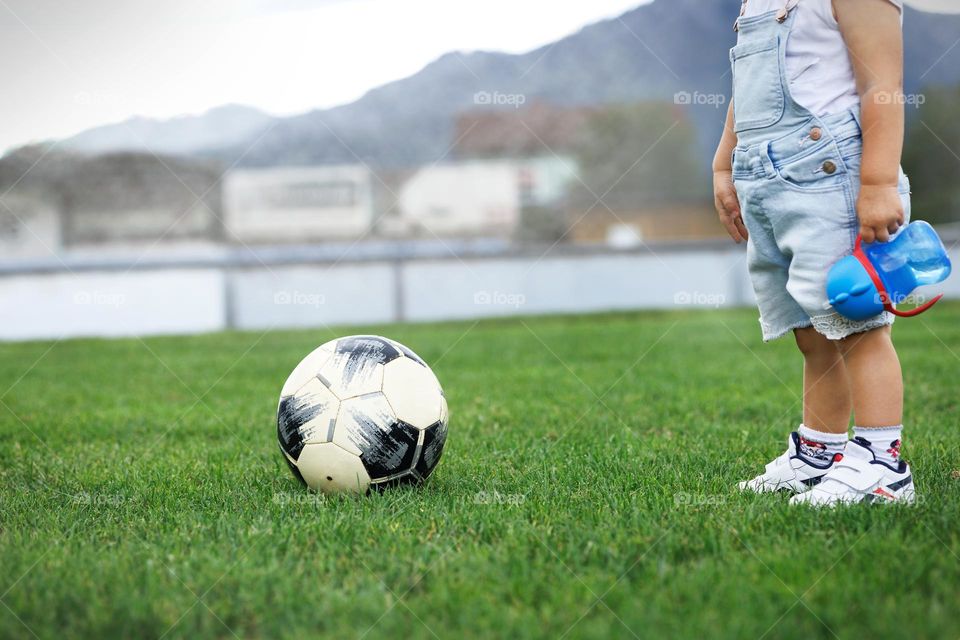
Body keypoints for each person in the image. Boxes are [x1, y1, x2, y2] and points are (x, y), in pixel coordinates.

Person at [713, 0, 916, 505]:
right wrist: (724, 165)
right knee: (811, 329)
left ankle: (882, 463)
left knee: (856, 322)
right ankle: (821, 451)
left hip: (834, 176)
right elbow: (749, 87)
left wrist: (877, 183)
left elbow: (882, 86)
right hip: (766, 181)